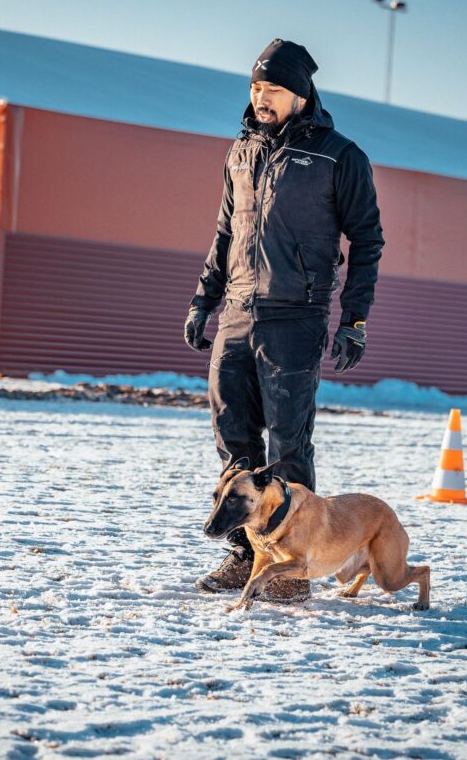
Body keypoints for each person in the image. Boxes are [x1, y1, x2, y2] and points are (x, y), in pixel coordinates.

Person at [184, 38, 385, 603]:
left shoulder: (339, 156)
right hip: (238, 312)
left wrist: (356, 320)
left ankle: (292, 571)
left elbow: (367, 239)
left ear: (300, 93)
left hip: (296, 317)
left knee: (288, 447)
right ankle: (245, 557)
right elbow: (226, 233)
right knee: (234, 442)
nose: (260, 97)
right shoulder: (241, 150)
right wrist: (204, 300)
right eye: (255, 87)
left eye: (271, 89)